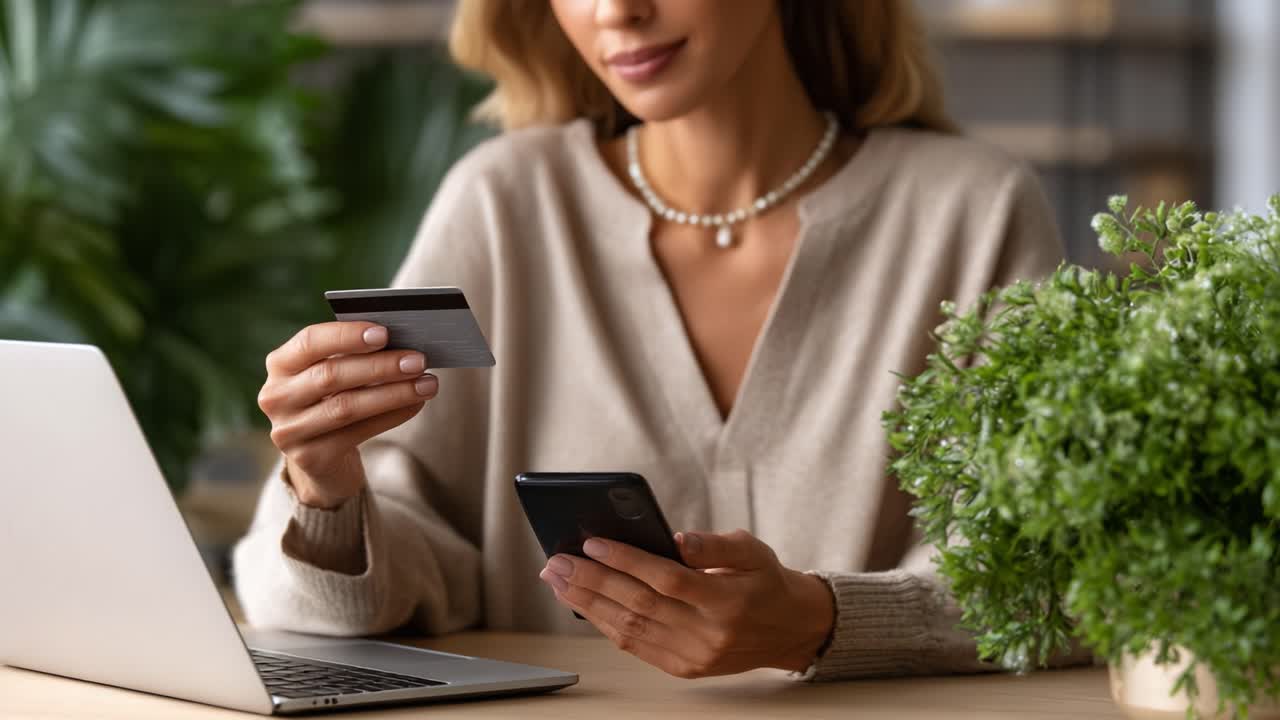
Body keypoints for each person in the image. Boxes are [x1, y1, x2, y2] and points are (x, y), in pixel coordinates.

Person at [235, 0, 1066, 680]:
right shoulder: (503, 205)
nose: (615, 12)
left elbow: (1062, 579)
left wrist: (821, 620)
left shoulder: (974, 213)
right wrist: (325, 491)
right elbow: (364, 592)